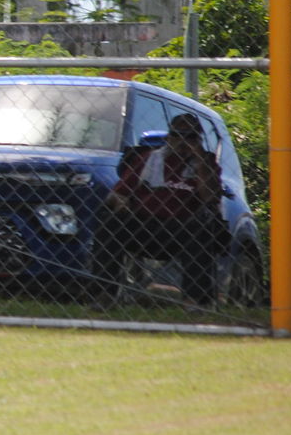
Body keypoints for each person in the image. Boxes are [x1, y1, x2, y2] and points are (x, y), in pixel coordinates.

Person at [96, 111, 226, 308]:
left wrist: (198, 158)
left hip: (183, 227)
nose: (183, 142)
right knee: (110, 224)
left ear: (198, 139)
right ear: (168, 137)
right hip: (144, 223)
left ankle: (194, 301)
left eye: (190, 136)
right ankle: (105, 296)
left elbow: (211, 198)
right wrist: (123, 204)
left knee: (202, 230)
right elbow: (118, 193)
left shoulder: (206, 164)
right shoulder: (150, 158)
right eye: (177, 135)